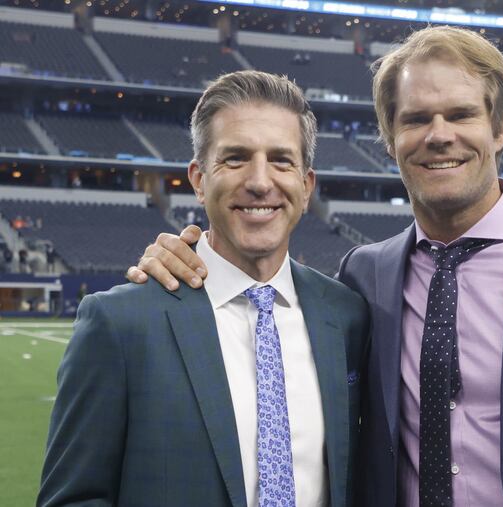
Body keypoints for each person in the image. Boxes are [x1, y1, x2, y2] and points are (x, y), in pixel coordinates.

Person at [128, 26, 503, 506]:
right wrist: (184, 255)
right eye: (414, 119)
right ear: (388, 137)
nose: (439, 136)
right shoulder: (365, 275)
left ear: (502, 127)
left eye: (461, 114)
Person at [39, 70, 369, 507]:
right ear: (198, 179)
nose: (259, 181)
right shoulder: (119, 324)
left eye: (281, 160)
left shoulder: (347, 317)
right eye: (234, 158)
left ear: (306, 187)